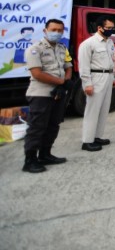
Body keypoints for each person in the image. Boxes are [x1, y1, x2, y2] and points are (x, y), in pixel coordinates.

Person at [21, 19, 73, 173]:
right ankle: (30, 160)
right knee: (37, 127)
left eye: (59, 30)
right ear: (45, 30)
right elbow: (37, 73)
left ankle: (45, 154)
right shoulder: (35, 49)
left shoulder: (62, 48)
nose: (56, 33)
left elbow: (68, 67)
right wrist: (61, 82)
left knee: (53, 125)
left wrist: (63, 83)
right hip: (41, 94)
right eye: (53, 29)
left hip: (58, 93)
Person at [78, 16, 115, 152]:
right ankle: (87, 140)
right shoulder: (88, 44)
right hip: (96, 77)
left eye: (112, 28)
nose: (111, 30)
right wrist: (87, 84)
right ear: (99, 28)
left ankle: (97, 136)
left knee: (104, 109)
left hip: (108, 76)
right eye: (108, 28)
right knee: (92, 110)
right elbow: (83, 66)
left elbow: (112, 61)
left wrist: (113, 78)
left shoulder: (110, 43)